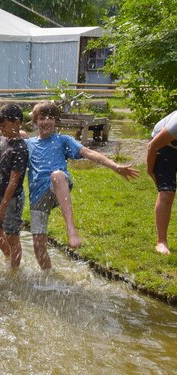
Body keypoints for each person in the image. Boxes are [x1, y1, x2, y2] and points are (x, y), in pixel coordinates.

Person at [25, 101, 139, 269]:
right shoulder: (29, 144)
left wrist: (114, 166)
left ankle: (71, 229)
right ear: (35, 121)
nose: (46, 122)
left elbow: (88, 152)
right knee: (38, 244)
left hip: (60, 186)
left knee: (57, 175)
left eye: (50, 118)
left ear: (56, 121)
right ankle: (48, 275)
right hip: (37, 195)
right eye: (42, 118)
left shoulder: (63, 140)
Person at [0, 104, 29, 268]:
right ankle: (9, 257)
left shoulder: (20, 148)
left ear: (17, 123)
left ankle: (15, 271)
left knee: (12, 236)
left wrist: (2, 208)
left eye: (4, 125)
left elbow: (14, 181)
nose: (1, 128)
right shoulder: (3, 139)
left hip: (11, 199)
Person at [147, 110, 177, 255]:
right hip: (164, 147)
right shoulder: (175, 125)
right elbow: (153, 146)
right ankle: (161, 241)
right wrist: (150, 170)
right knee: (167, 192)